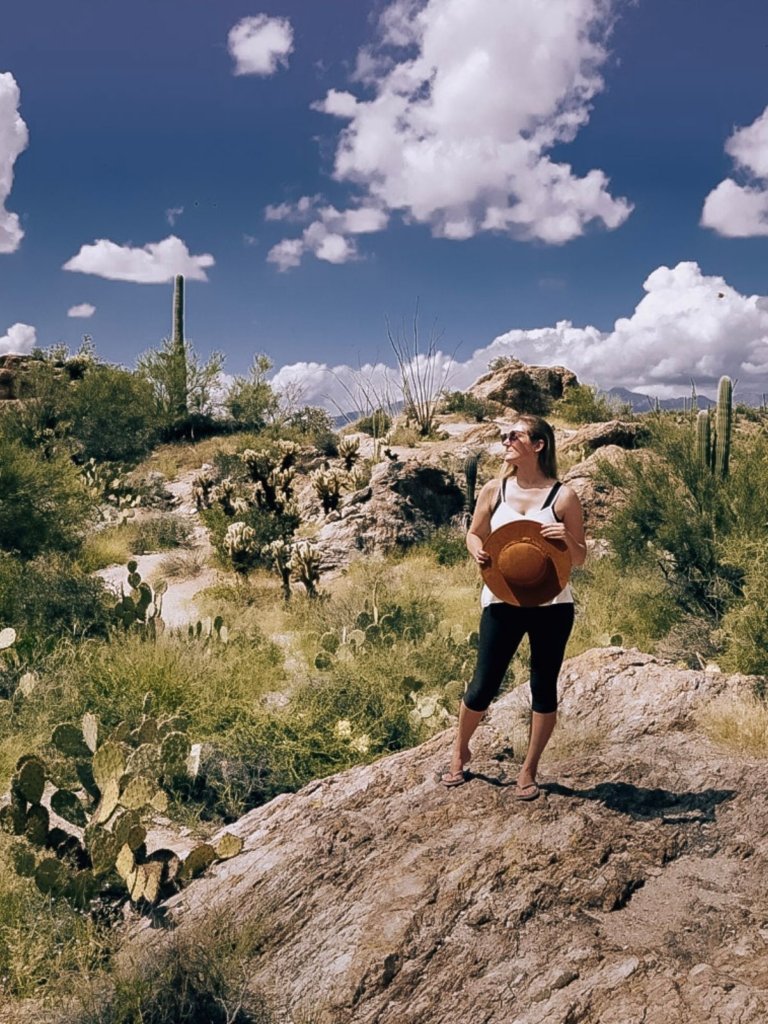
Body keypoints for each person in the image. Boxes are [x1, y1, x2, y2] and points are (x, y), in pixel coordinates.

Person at [440, 415, 587, 798]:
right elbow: (475, 534)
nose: (505, 441)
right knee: (483, 683)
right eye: (504, 436)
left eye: (514, 436)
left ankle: (529, 769)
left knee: (543, 685)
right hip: (501, 600)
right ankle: (460, 751)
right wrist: (479, 553)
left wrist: (566, 537)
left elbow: (582, 557)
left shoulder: (563, 496)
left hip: (552, 604)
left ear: (538, 445)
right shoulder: (494, 489)